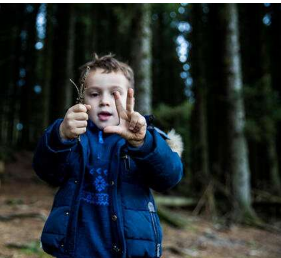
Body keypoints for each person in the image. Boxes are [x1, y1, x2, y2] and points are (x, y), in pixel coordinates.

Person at [33, 54, 183, 258]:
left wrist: (143, 143)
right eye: (94, 94)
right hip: (75, 249)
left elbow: (169, 178)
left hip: (130, 251)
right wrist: (60, 136)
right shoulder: (71, 135)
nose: (104, 101)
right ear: (82, 98)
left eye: (115, 94)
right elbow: (46, 172)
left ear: (130, 97)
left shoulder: (144, 137)